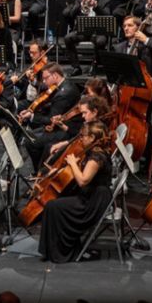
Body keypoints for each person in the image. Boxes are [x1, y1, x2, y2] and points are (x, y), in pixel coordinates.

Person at [38, 121, 112, 263]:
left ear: (92, 138)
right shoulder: (92, 151)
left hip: (93, 203)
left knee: (53, 206)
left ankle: (63, 252)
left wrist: (72, 164)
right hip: (90, 195)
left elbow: (83, 180)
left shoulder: (97, 157)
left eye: (83, 136)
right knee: (55, 203)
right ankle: (57, 249)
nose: (81, 139)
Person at [18, 63, 82, 170]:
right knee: (29, 135)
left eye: (46, 78)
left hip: (65, 131)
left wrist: (32, 116)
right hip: (60, 125)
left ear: (55, 76)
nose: (44, 81)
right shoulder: (63, 84)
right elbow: (46, 92)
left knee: (30, 141)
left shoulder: (63, 94)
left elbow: (50, 120)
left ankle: (40, 171)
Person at [62, 0, 114, 73]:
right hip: (83, 31)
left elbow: (108, 15)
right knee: (67, 38)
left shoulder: (105, 0)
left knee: (100, 41)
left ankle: (95, 65)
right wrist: (80, 5)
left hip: (99, 31)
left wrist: (96, 6)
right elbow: (71, 15)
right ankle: (76, 67)